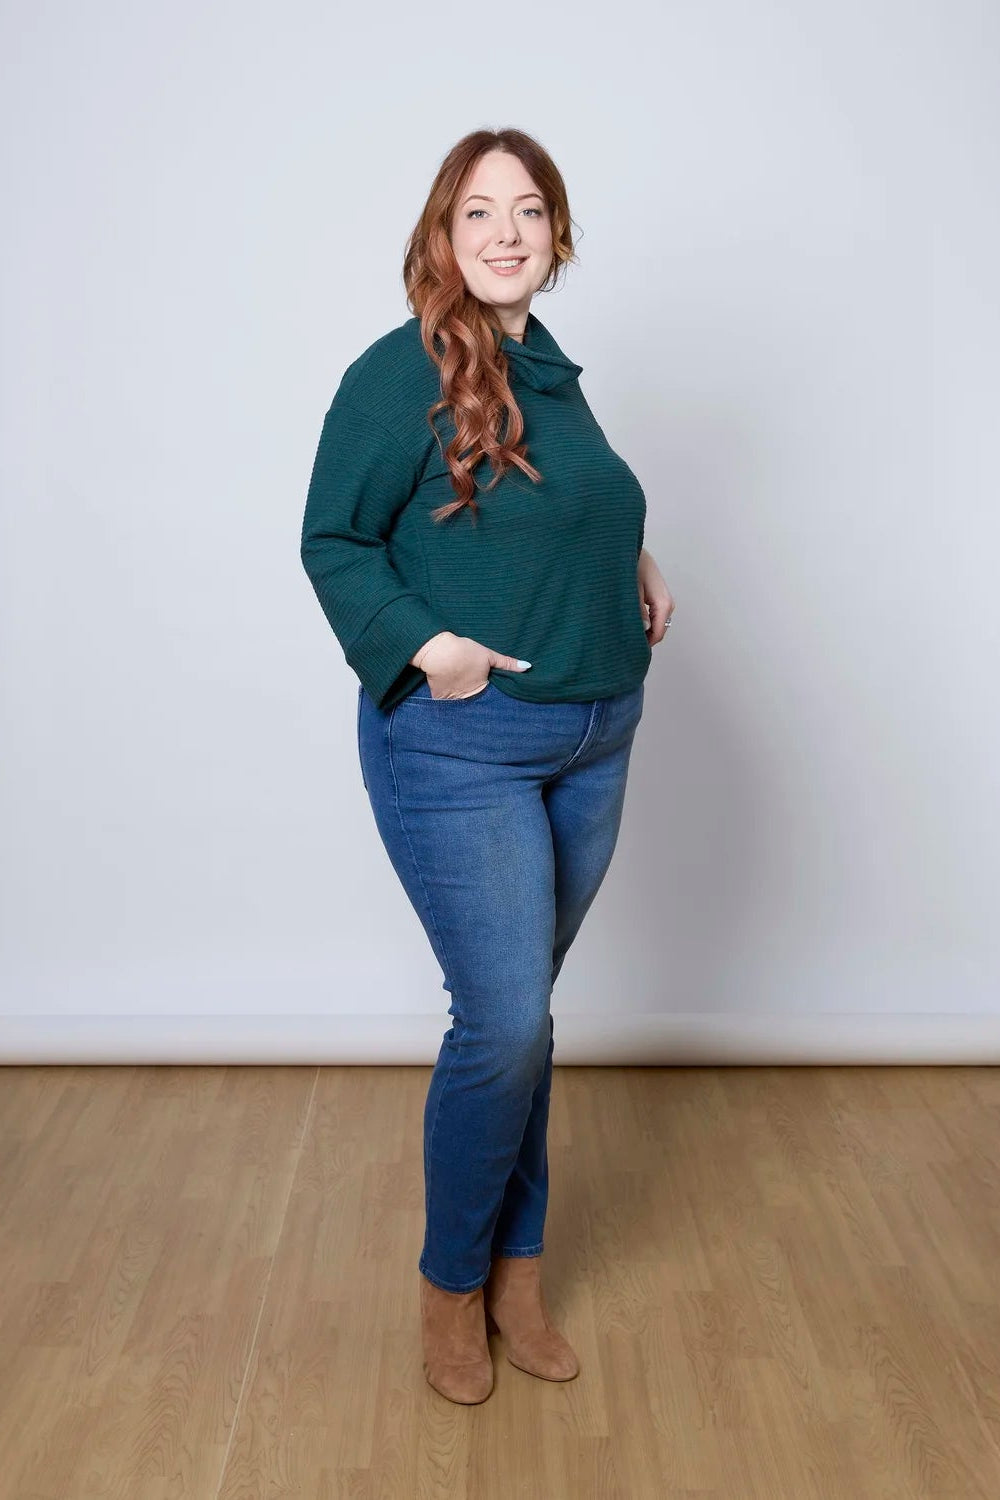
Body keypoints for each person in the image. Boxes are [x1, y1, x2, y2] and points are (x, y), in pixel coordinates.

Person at [300, 128, 675, 1405]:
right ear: (443, 236)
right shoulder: (399, 368)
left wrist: (630, 561)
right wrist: (430, 650)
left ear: (557, 236)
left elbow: (570, 503)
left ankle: (520, 1270)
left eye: (528, 210)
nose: (505, 231)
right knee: (504, 1022)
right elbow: (335, 542)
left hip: (595, 737)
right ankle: (452, 1287)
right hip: (461, 744)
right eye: (478, 212)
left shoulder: (552, 374)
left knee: (524, 1028)